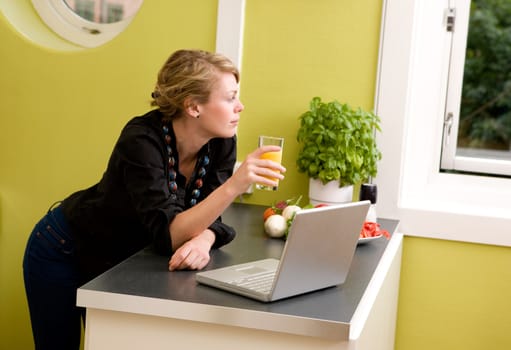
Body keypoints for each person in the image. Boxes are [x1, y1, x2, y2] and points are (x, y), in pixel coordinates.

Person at [22, 49, 286, 350]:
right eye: (230, 98)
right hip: (63, 248)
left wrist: (204, 240)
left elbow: (212, 217)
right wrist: (235, 186)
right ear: (193, 106)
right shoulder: (141, 140)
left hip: (119, 260)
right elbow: (169, 234)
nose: (241, 106)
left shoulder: (222, 141)